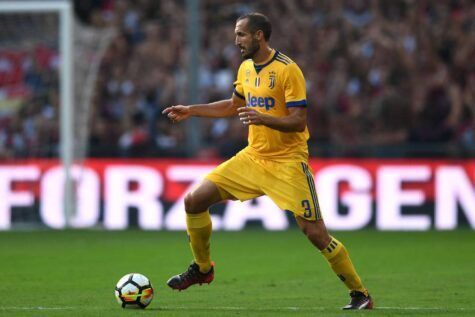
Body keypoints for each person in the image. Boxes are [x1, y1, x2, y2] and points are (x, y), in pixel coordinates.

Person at [162, 12, 373, 310]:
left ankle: (360, 293)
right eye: (236, 34)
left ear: (259, 35)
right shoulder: (246, 68)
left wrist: (263, 118)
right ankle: (203, 269)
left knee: (315, 233)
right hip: (253, 157)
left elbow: (299, 121)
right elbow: (233, 105)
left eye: (241, 34)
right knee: (194, 201)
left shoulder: (288, 71)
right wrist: (192, 110)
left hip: (288, 163)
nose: (236, 41)